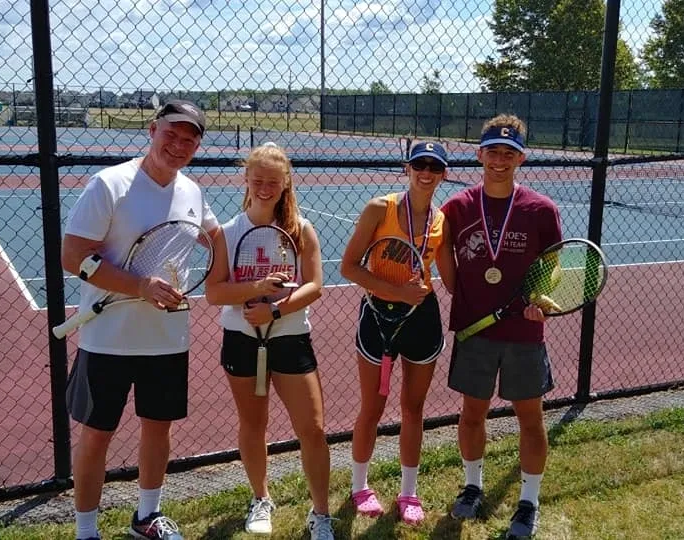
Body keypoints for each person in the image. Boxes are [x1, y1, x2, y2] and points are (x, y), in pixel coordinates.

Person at [60, 99, 219, 540]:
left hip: (167, 339)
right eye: (172, 133)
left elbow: (216, 237)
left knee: (158, 429)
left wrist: (246, 275)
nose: (179, 144)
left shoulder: (192, 191)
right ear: (152, 130)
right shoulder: (109, 185)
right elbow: (73, 256)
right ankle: (86, 531)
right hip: (108, 340)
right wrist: (139, 286)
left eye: (190, 139)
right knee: (96, 436)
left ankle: (147, 516)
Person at [203, 143, 334, 539]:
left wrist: (274, 310)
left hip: (290, 338)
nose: (264, 188)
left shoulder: (301, 229)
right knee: (253, 424)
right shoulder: (228, 233)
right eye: (257, 180)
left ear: (285, 184)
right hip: (242, 340)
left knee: (312, 428)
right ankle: (261, 498)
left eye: (272, 182)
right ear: (246, 179)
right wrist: (256, 288)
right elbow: (214, 293)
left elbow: (314, 286)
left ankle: (321, 514)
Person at [440, 115, 562, 539]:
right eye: (492, 151)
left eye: (509, 153)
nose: (499, 160)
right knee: (472, 413)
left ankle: (528, 501)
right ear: (479, 155)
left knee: (531, 418)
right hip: (475, 331)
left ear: (520, 159)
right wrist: (458, 292)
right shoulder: (455, 208)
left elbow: (551, 265)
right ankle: (472, 486)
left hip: (523, 334)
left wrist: (539, 299)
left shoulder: (541, 210)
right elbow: (441, 254)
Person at [339, 141, 456, 525]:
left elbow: (452, 280)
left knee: (413, 408)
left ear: (443, 174)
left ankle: (409, 493)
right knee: (372, 408)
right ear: (407, 168)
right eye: (419, 164)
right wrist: (397, 292)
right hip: (376, 314)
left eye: (434, 167)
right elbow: (349, 268)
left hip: (422, 320)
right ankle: (360, 486)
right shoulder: (380, 208)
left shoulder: (441, 221)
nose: (426, 172)